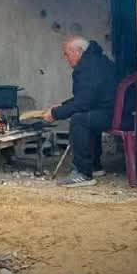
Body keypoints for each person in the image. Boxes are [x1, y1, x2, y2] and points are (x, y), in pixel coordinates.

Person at [42, 35, 117, 187]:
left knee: (80, 120)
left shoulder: (89, 67)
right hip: (114, 110)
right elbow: (88, 97)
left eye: (67, 53)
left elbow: (84, 102)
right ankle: (95, 166)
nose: (65, 57)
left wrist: (56, 114)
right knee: (88, 116)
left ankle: (83, 173)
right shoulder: (96, 60)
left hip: (114, 115)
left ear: (79, 51)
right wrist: (62, 105)